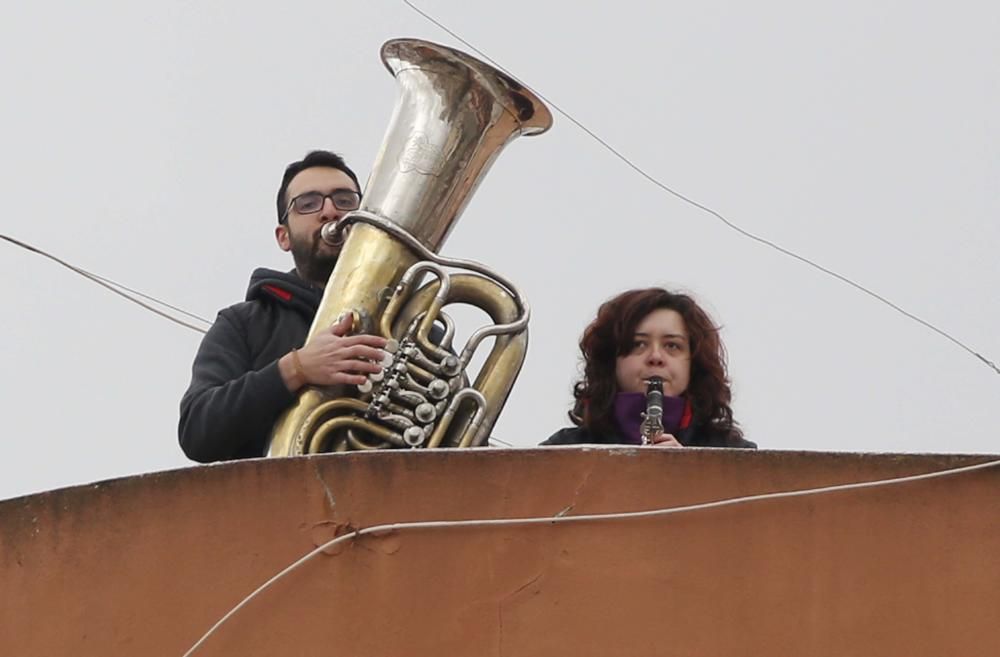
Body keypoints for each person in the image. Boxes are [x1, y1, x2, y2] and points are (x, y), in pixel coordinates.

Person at [179, 150, 388, 462]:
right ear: (283, 237)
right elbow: (197, 431)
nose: (330, 211)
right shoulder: (242, 324)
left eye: (344, 200)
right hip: (285, 508)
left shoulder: (409, 315)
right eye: (308, 203)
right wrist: (296, 369)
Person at [543, 287, 755, 448]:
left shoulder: (733, 454)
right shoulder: (566, 448)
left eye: (672, 346)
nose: (656, 357)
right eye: (638, 344)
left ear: (694, 361)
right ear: (611, 360)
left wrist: (691, 472)